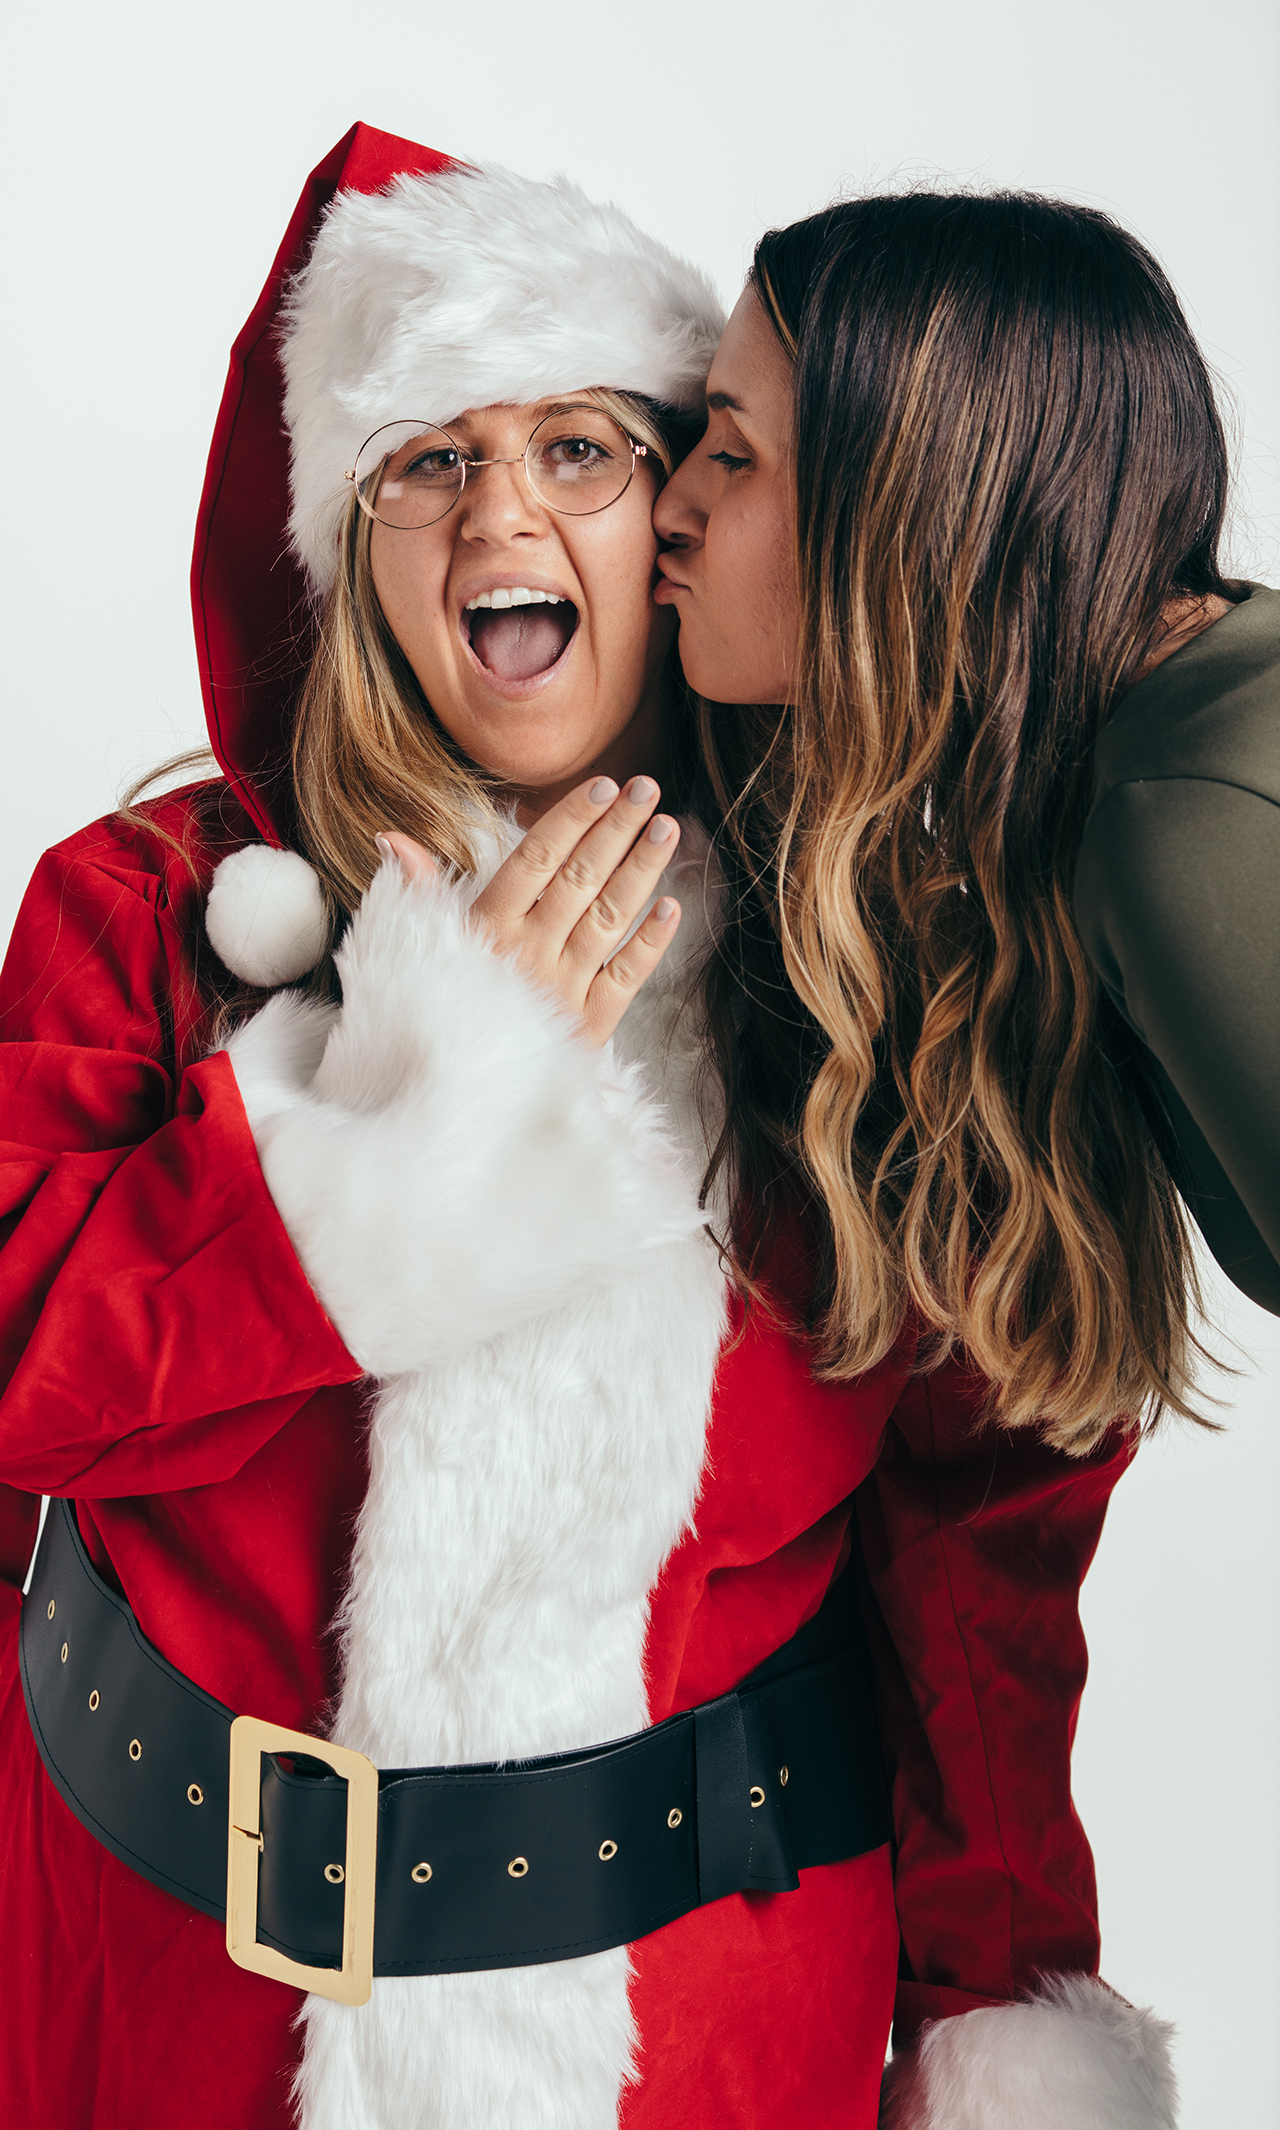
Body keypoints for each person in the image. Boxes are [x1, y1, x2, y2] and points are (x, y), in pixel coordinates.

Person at [0, 132, 1171, 2130]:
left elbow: (975, 1609)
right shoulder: (148, 912)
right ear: (347, 537)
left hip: (708, 2043)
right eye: (429, 460)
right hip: (152, 2024)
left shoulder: (867, 987)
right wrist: (409, 1118)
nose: (506, 504)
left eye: (584, 446)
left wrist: (990, 2020)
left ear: (681, 522)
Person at [653, 187, 1274, 2119]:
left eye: (733, 454)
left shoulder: (1178, 822)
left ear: (905, 517)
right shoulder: (1134, 744)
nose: (670, 503)